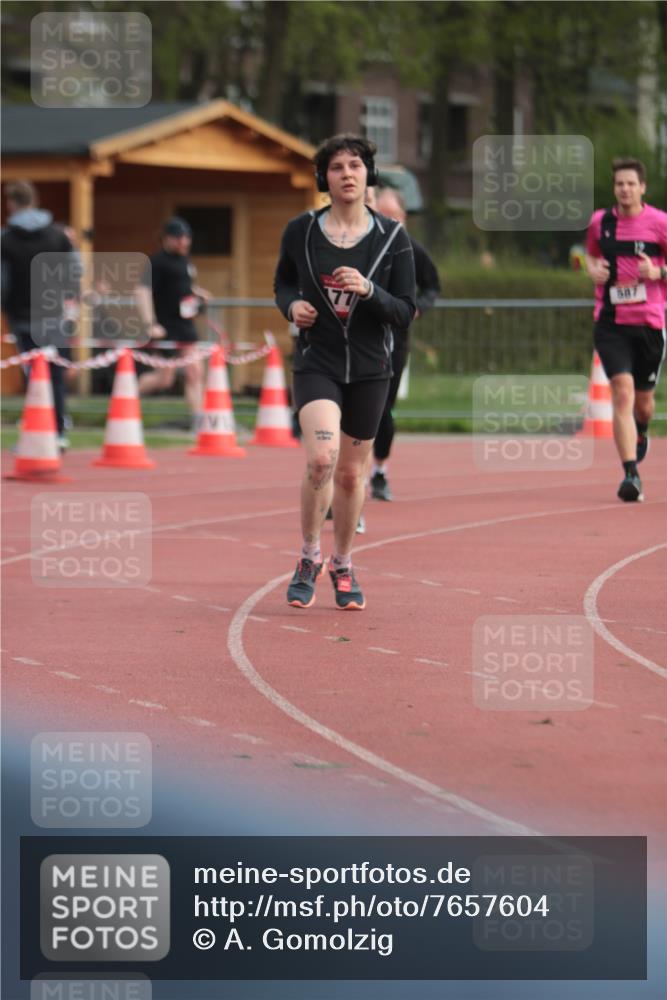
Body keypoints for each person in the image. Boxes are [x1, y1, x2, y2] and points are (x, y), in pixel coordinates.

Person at [275, 134, 416, 610]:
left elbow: (406, 309)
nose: (347, 174)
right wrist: (290, 306)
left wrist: (371, 290)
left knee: (352, 477)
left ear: (368, 174)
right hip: (318, 361)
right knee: (321, 459)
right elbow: (282, 282)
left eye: (355, 165)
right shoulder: (301, 231)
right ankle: (308, 557)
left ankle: (342, 563)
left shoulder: (393, 238)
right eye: (336, 167)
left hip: (372, 367)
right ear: (324, 179)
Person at [585, 158, 667, 502]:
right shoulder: (600, 222)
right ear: (614, 187)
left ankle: (642, 429)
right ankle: (630, 474)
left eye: (631, 183)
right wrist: (593, 270)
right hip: (611, 322)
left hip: (649, 323)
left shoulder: (660, 223)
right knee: (621, 391)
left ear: (642, 187)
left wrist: (658, 274)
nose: (625, 189)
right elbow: (589, 256)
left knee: (643, 404)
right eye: (620, 183)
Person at [369, 187, 440, 501]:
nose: (386, 222)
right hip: (361, 339)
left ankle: (379, 471)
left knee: (383, 410)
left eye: (392, 216)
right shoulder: (362, 247)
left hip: (395, 343)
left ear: (404, 218)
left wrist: (416, 308)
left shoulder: (412, 250)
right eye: (380, 215)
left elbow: (432, 286)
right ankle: (343, 479)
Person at [1, 180, 77, 449]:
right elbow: (74, 271)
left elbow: (3, 281)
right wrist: (70, 298)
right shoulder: (58, 235)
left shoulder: (6, 239)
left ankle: (36, 435)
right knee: (55, 374)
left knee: (33, 373)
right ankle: (57, 432)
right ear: (35, 199)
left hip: (22, 315)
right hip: (54, 312)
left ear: (11, 203)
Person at [136, 217, 211, 426]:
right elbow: (141, 291)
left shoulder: (186, 261)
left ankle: (199, 421)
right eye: (178, 238)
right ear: (166, 239)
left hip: (185, 326)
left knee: (195, 372)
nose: (183, 242)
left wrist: (197, 293)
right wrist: (150, 324)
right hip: (165, 327)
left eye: (186, 238)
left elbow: (181, 287)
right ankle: (126, 400)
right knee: (164, 378)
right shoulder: (157, 262)